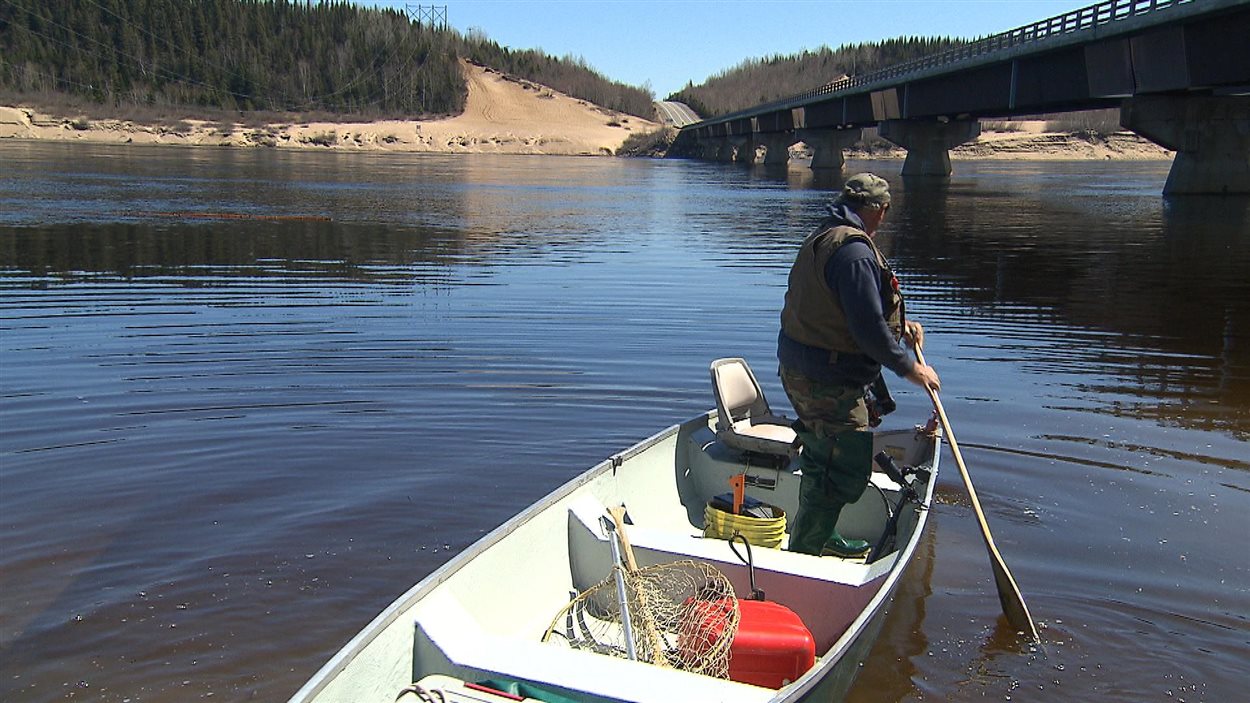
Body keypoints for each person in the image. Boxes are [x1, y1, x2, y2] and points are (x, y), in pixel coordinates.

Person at [777, 173, 940, 557]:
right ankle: (804, 552)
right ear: (879, 211)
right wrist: (910, 369)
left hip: (805, 372)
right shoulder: (855, 253)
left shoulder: (828, 234)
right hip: (825, 382)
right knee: (844, 472)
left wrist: (902, 328)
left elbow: (841, 312)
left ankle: (822, 533)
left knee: (823, 458)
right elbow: (866, 330)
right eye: (885, 212)